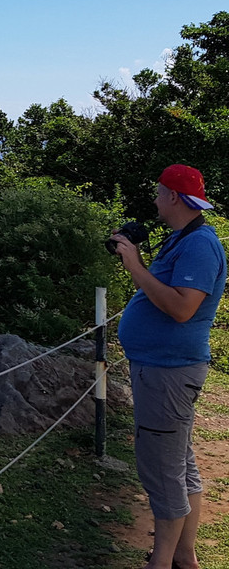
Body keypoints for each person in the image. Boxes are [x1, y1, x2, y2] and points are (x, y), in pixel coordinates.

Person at [114, 164, 226, 569]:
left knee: (162, 471)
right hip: (163, 368)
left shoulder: (199, 245)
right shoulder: (183, 238)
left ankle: (159, 564)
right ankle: (184, 558)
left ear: (175, 197)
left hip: (167, 371)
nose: (156, 199)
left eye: (160, 192)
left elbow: (182, 308)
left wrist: (136, 267)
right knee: (180, 465)